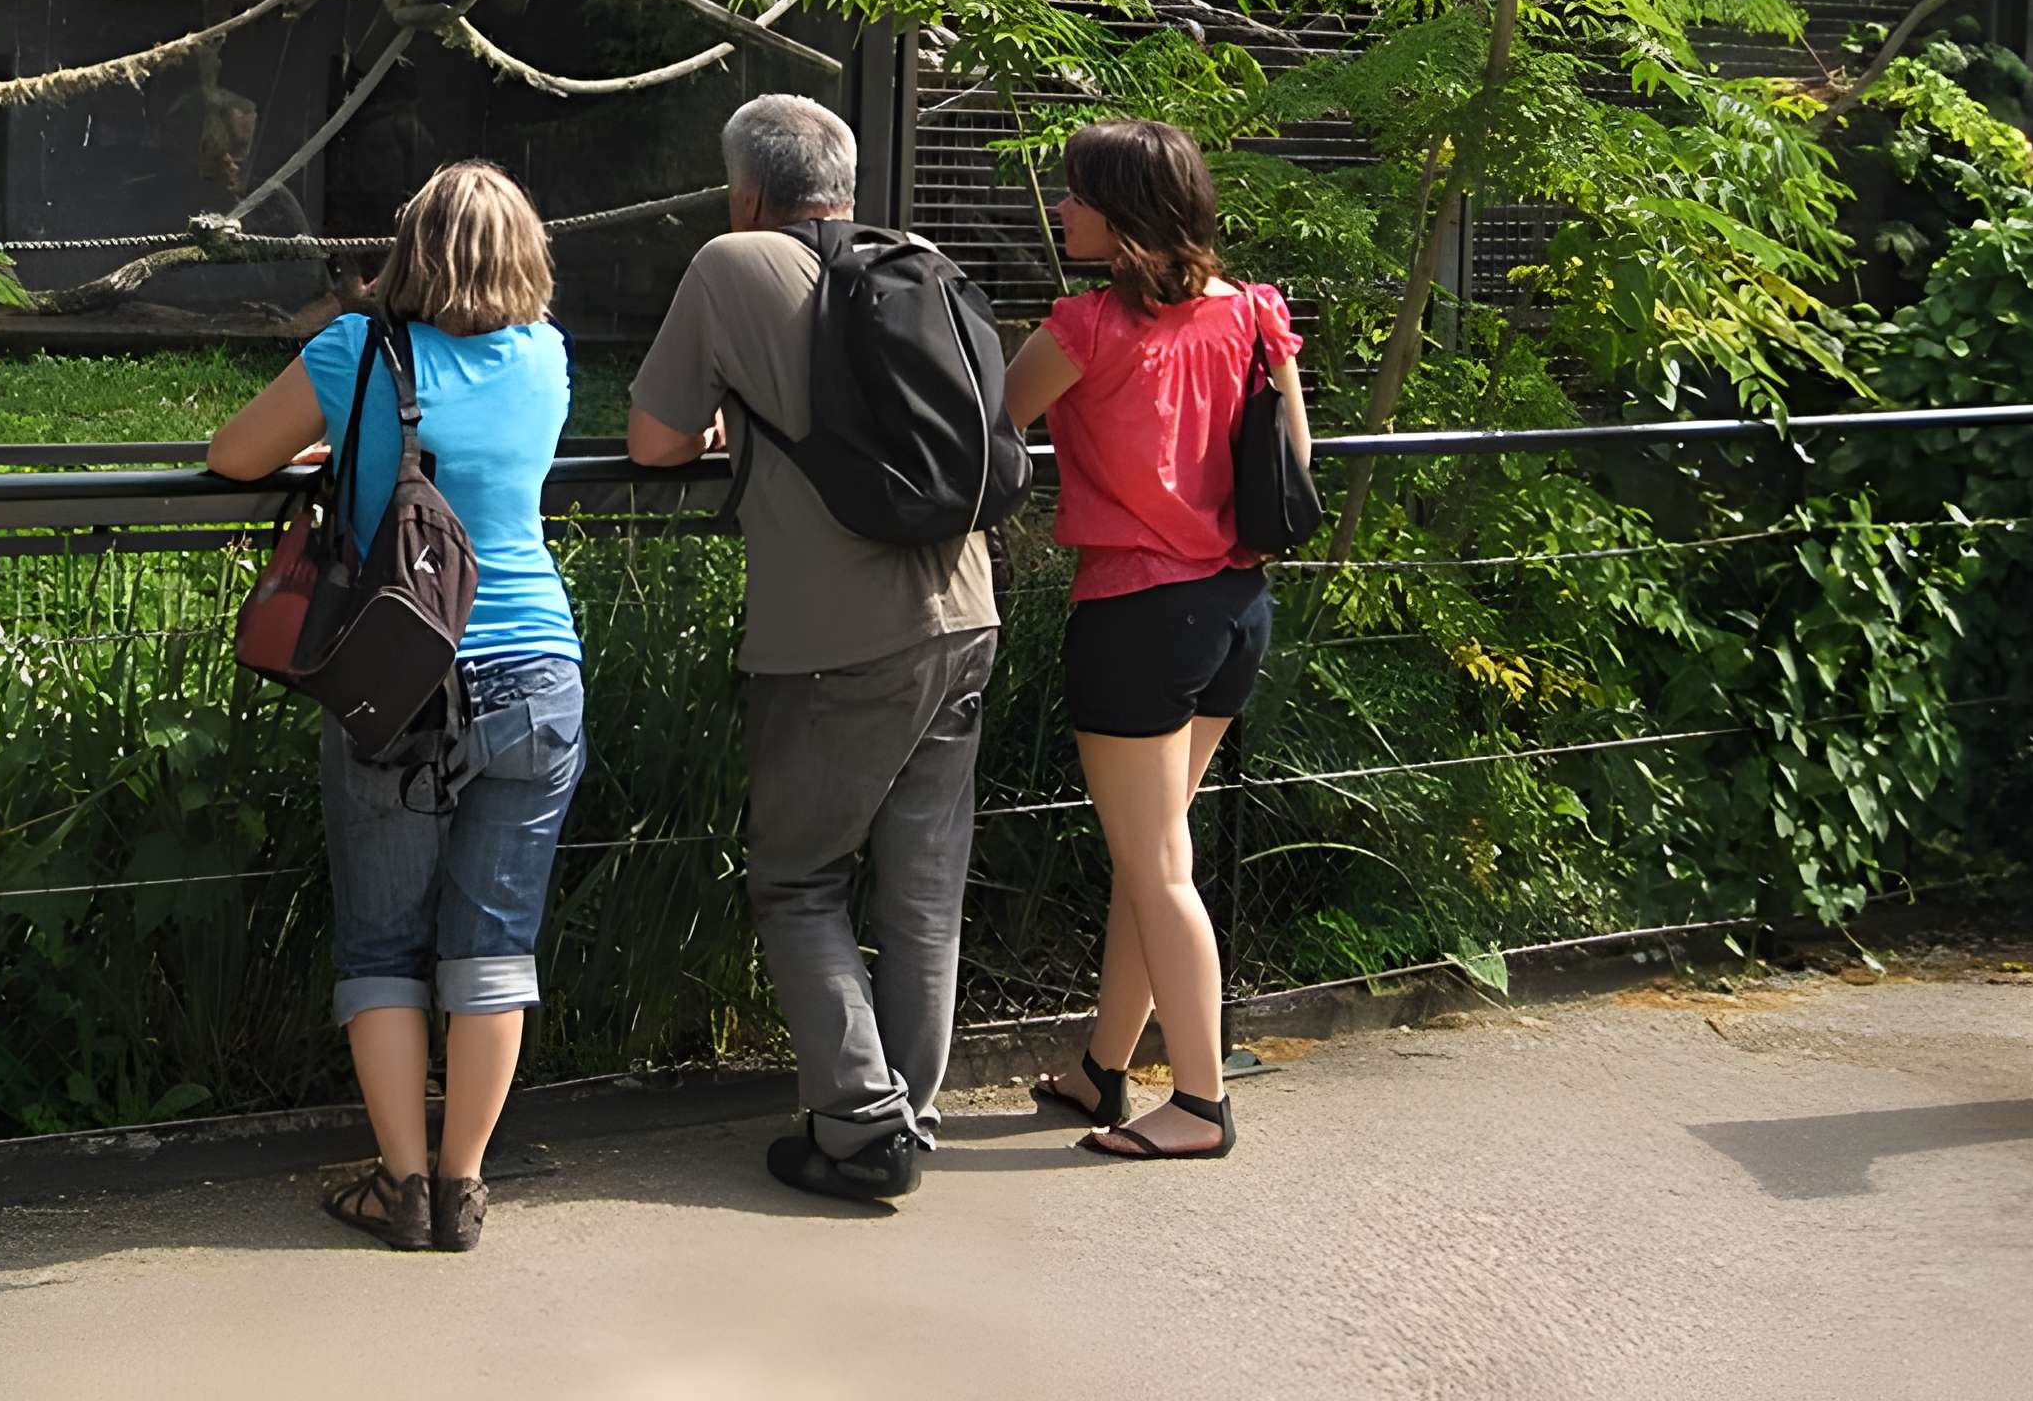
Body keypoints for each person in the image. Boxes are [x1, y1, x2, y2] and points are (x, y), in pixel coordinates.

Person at [624, 94, 1000, 1204]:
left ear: (745, 189)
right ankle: (908, 1112)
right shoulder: (918, 256)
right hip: (966, 606)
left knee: (797, 880)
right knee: (923, 885)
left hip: (834, 638)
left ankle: (856, 1123)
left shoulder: (732, 263)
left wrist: (724, 417)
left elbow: (652, 441)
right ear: (842, 178)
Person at [206, 161, 584, 1252]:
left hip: (396, 670)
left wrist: (346, 444)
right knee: (494, 945)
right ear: (527, 256)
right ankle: (465, 1188)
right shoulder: (547, 357)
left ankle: (401, 1186)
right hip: (537, 674)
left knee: (382, 942)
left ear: (408, 246)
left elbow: (232, 455)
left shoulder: (354, 353)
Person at [1000, 117, 1310, 1160]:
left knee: (1157, 866)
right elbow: (1292, 460)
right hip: (1235, 611)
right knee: (1154, 854)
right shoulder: (1256, 314)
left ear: (1124, 215)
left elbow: (991, 419)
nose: (1059, 211)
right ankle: (1101, 1066)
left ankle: (1201, 1103)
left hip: (1134, 614)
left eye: (1076, 196)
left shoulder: (1081, 329)